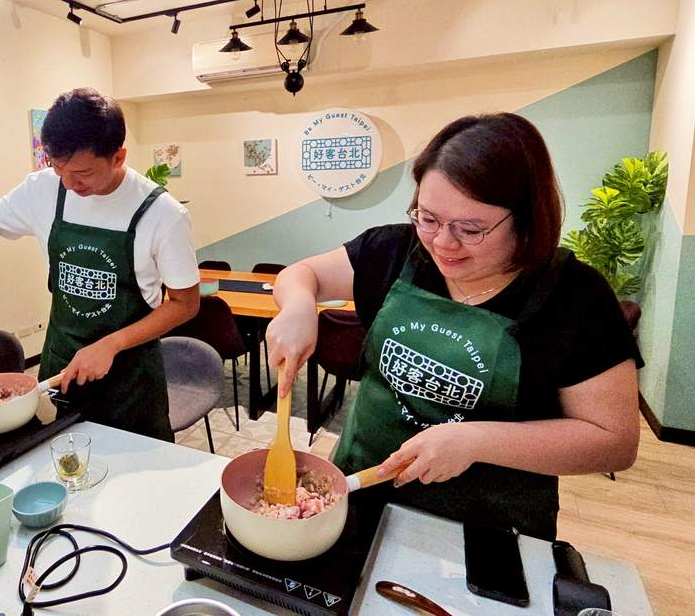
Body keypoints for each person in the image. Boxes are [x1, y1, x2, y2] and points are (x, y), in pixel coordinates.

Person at [265, 113, 641, 539]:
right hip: (360, 491)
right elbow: (301, 274)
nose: (443, 242)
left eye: (471, 229)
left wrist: (474, 441)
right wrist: (297, 305)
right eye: (428, 218)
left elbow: (614, 441)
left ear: (526, 218)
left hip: (489, 526)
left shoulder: (577, 296)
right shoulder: (393, 250)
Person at [0, 88, 200, 441]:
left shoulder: (163, 215)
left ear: (118, 157)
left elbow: (186, 304)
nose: (69, 183)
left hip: (131, 384)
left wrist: (111, 344)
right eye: (58, 167)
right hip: (59, 368)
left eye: (82, 173)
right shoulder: (44, 189)